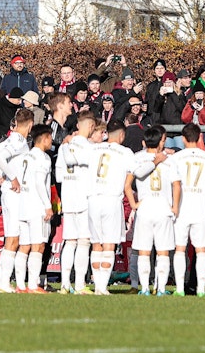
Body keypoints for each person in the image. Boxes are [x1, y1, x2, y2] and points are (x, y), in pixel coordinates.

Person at [126, 126, 180, 296]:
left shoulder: (137, 158)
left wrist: (134, 204)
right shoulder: (169, 159)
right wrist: (175, 206)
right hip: (163, 208)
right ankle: (162, 288)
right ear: (160, 141)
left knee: (143, 250)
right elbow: (176, 184)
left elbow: (127, 184)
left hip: (144, 208)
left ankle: (144, 288)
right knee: (163, 251)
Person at [0, 109, 34, 293]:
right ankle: (3, 283)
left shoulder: (11, 137)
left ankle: (14, 283)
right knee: (13, 237)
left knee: (18, 236)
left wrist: (4, 175)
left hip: (10, 192)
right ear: (30, 124)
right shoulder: (19, 140)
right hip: (13, 193)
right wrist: (12, 177)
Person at [87, 119, 135, 295]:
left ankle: (98, 285)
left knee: (96, 244)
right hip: (111, 199)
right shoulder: (125, 152)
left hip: (92, 199)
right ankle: (101, 286)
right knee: (109, 244)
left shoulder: (93, 149)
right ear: (122, 135)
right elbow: (135, 172)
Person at [169, 123, 205, 297]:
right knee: (201, 250)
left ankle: (180, 289)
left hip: (181, 207)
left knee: (180, 248)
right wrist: (204, 192)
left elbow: (172, 183)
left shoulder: (176, 158)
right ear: (200, 137)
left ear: (182, 139)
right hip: (201, 207)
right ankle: (201, 290)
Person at [56, 112, 96, 294]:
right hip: (84, 197)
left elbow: (58, 175)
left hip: (68, 197)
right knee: (83, 241)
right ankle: (79, 284)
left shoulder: (64, 146)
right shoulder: (89, 148)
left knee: (69, 242)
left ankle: (65, 284)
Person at [14, 125, 54, 293]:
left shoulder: (25, 156)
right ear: (44, 138)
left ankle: (20, 285)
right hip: (37, 207)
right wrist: (48, 206)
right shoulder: (43, 158)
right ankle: (32, 285)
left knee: (24, 246)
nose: (51, 141)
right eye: (50, 138)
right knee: (38, 246)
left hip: (23, 205)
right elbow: (39, 182)